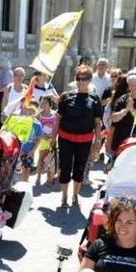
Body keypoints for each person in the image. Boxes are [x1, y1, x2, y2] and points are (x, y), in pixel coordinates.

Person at [56, 65, 103, 207]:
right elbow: (58, 118)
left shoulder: (94, 99)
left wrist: (98, 140)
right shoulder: (66, 96)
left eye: (84, 79)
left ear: (89, 80)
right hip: (65, 138)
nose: (81, 82)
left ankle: (75, 196)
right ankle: (64, 197)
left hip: (84, 140)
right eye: (78, 79)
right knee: (65, 168)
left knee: (79, 168)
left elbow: (97, 122)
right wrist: (53, 137)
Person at [110, 73, 136, 150]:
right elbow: (113, 118)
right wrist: (125, 110)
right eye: (131, 85)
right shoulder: (122, 99)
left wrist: (132, 109)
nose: (133, 87)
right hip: (121, 141)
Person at [35, 96, 58, 186]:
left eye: (45, 102)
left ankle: (50, 178)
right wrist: (42, 136)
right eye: (42, 103)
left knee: (52, 160)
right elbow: (36, 127)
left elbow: (57, 127)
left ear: (49, 103)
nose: (43, 104)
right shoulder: (39, 115)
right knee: (41, 159)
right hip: (43, 140)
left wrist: (53, 136)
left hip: (52, 139)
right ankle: (38, 177)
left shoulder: (55, 114)